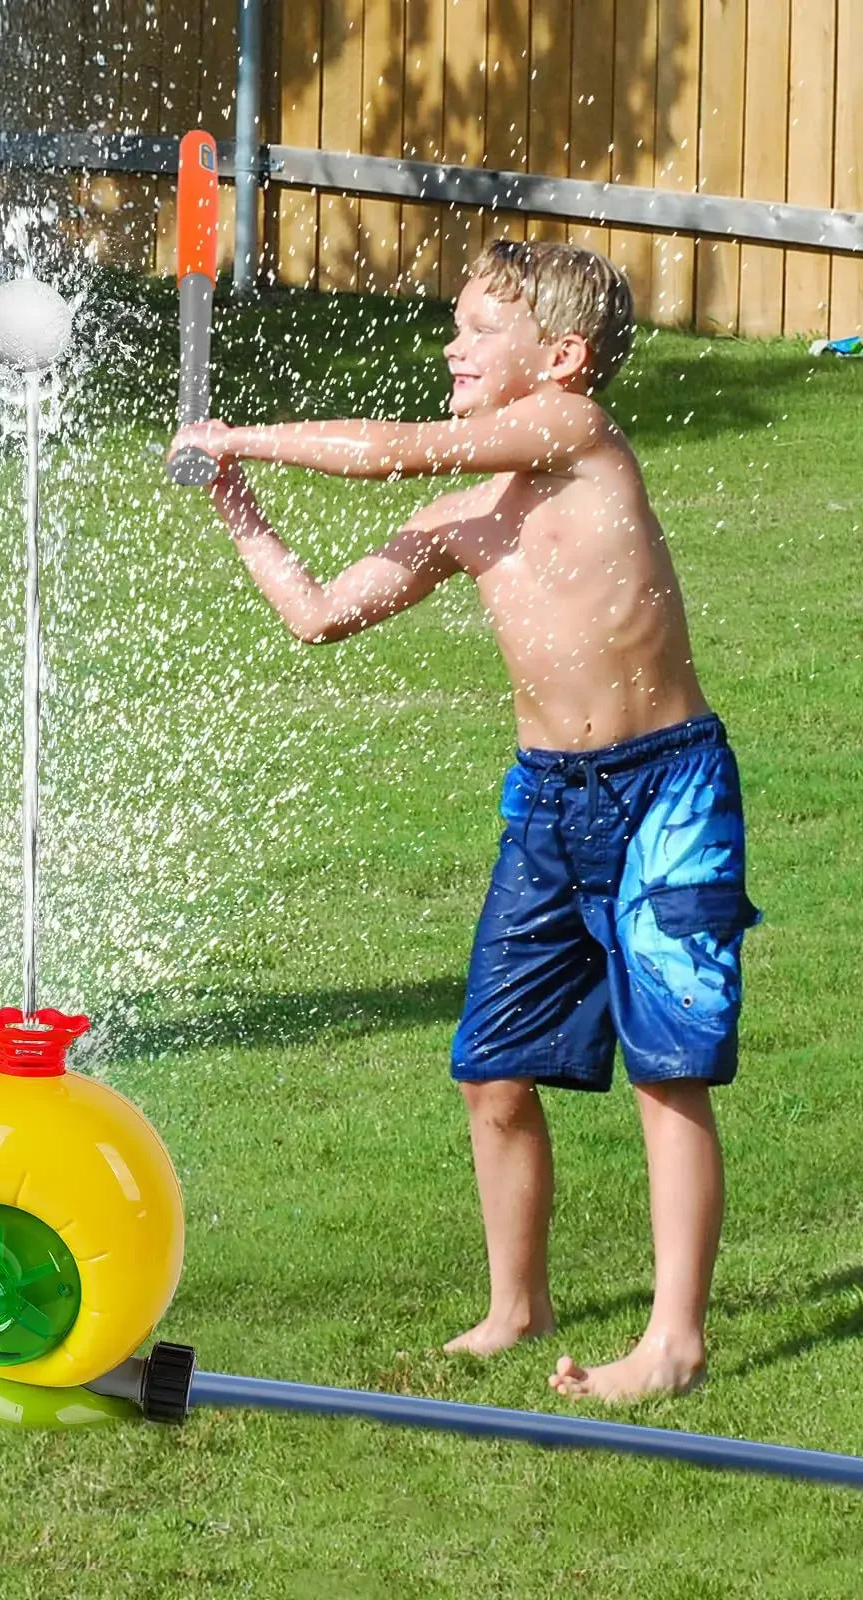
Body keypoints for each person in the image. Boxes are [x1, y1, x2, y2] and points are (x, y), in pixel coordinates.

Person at [169, 239, 758, 1401]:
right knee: (491, 1069)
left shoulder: (579, 440)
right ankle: (514, 1304)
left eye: (482, 328)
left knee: (666, 1067)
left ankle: (675, 1338)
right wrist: (240, 514)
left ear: (565, 361)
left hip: (666, 790)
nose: (452, 344)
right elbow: (318, 615)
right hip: (549, 805)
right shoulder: (463, 520)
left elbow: (389, 453)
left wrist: (239, 435)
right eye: (457, 324)